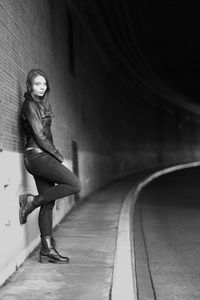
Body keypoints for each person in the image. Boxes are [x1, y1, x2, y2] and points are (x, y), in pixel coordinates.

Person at [19, 68, 82, 264]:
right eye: (37, 84)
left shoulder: (41, 105)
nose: (42, 87)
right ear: (30, 85)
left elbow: (45, 135)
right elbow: (40, 136)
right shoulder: (29, 105)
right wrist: (58, 156)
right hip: (37, 156)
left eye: (44, 84)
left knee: (49, 202)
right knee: (75, 184)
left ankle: (47, 249)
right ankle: (31, 201)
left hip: (41, 156)